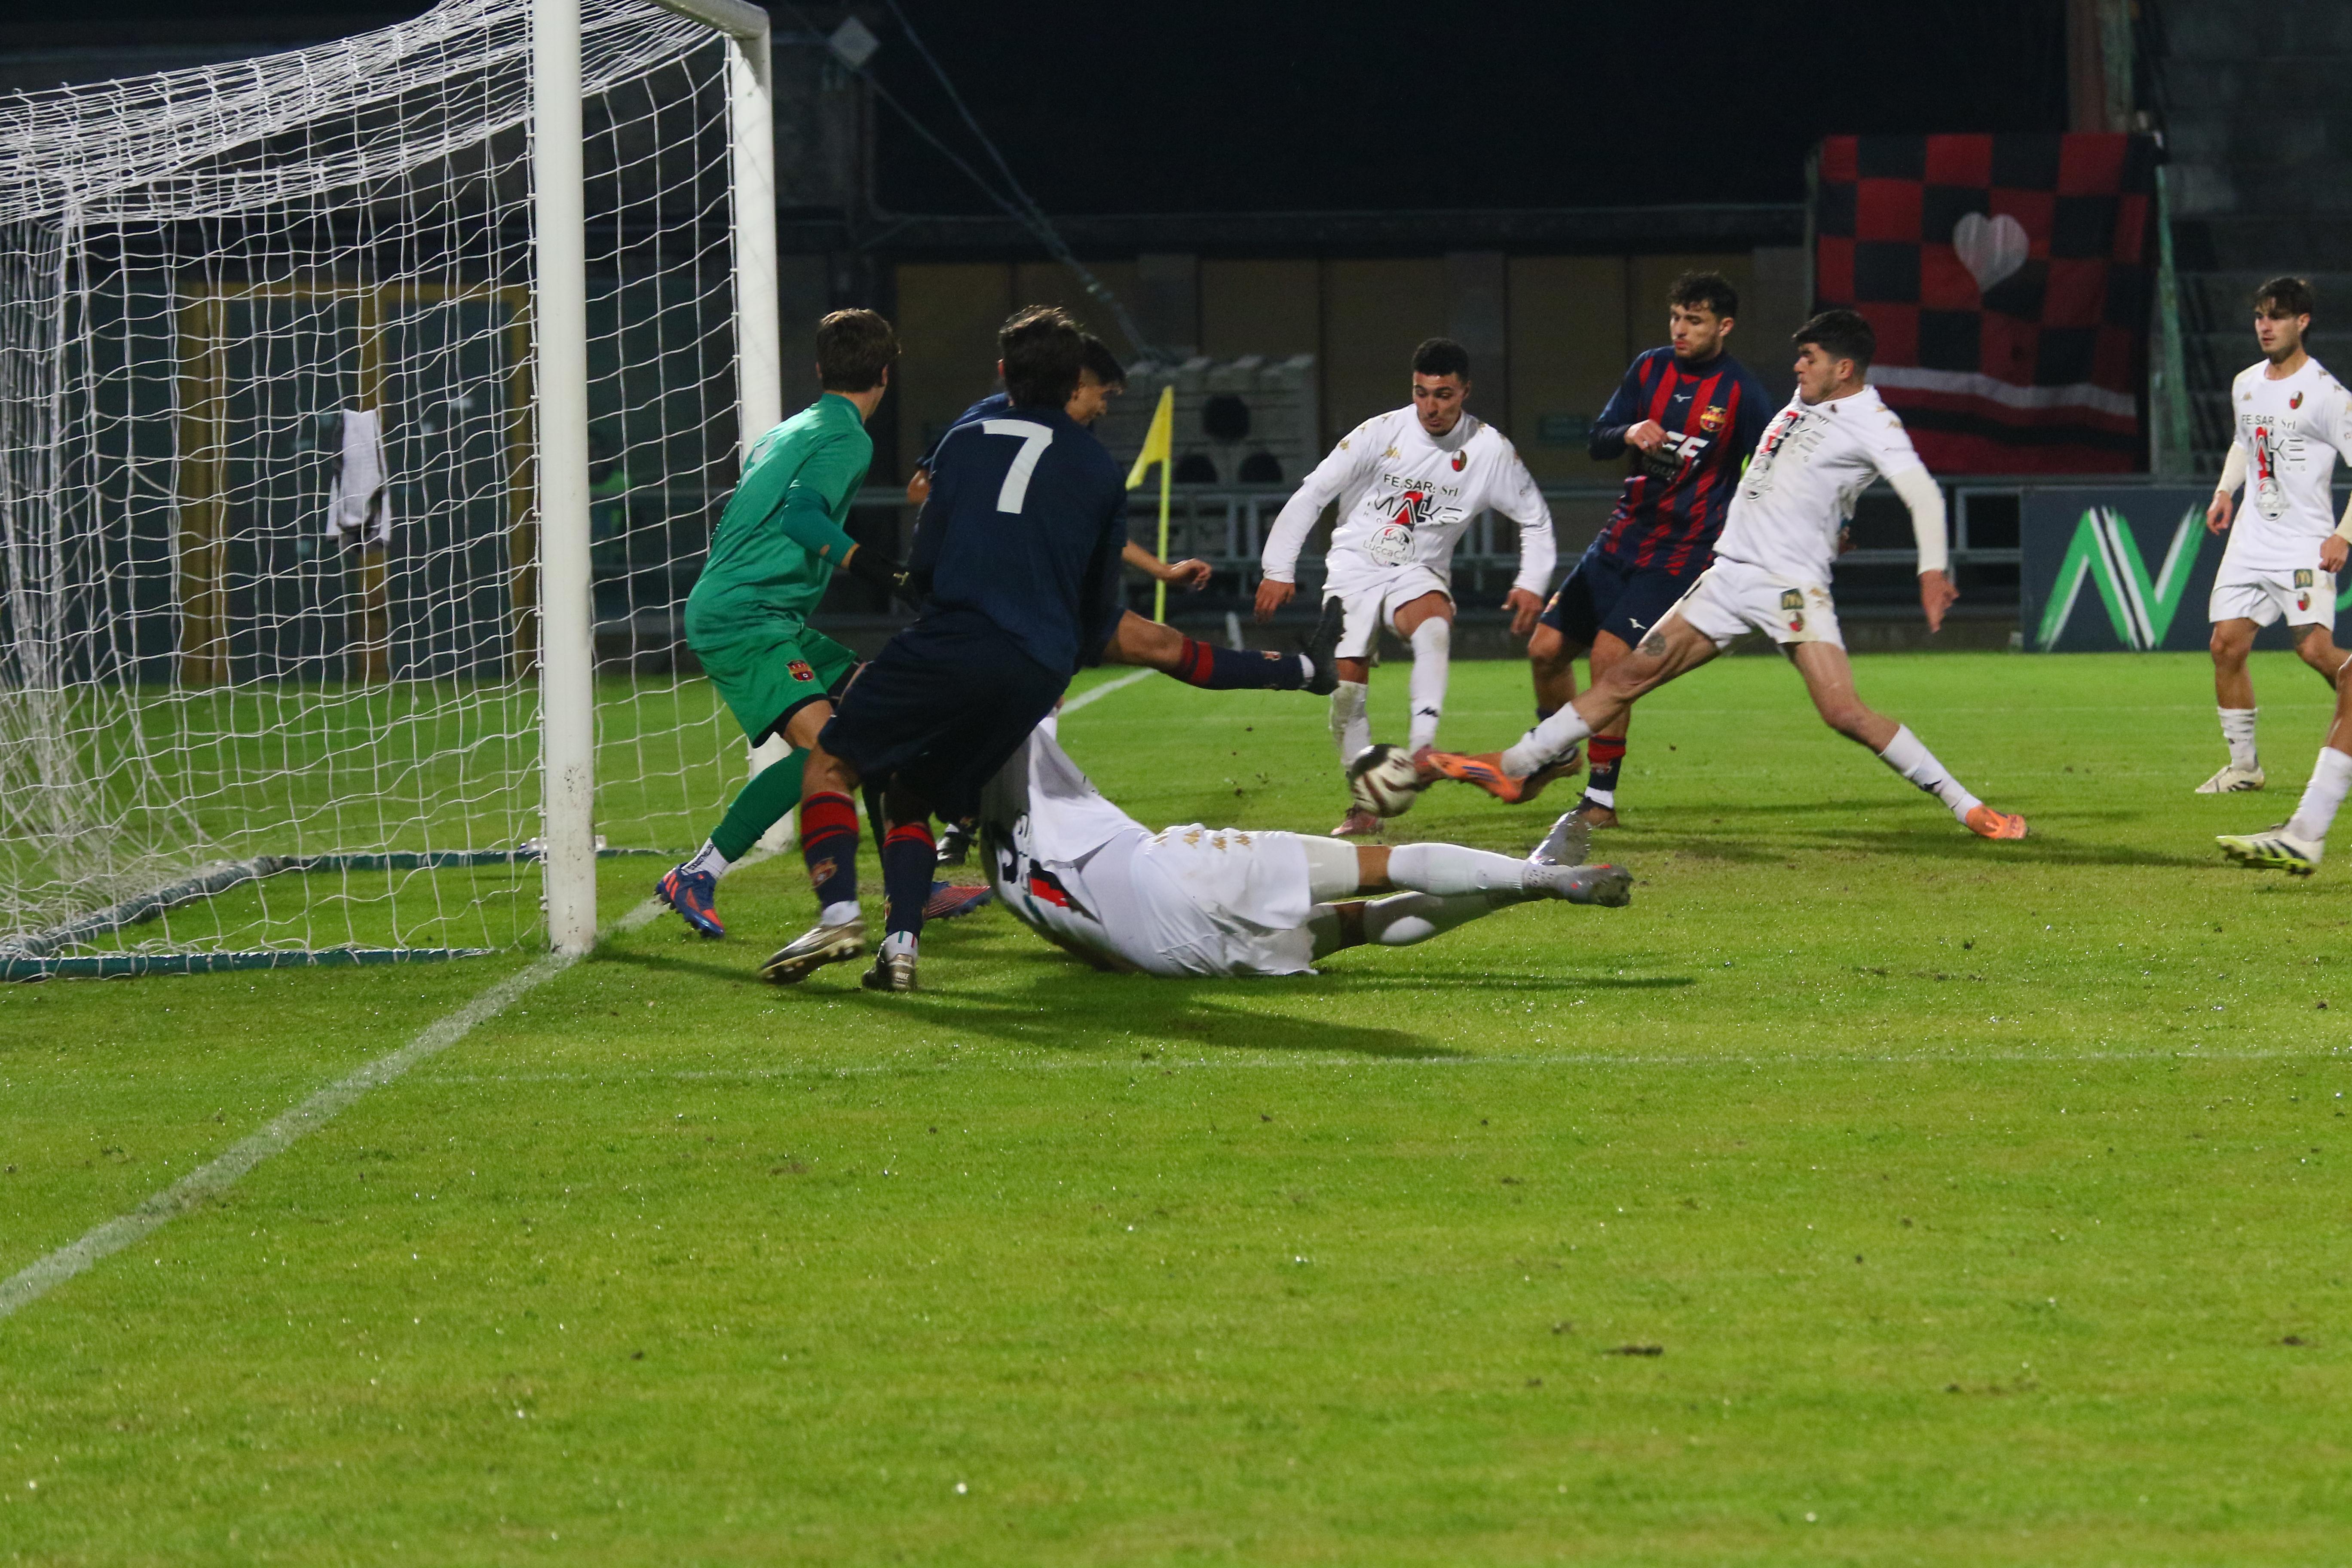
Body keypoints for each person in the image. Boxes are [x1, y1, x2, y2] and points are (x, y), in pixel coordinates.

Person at [1421, 310, 2027, 842]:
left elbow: (1921, 492)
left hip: (1788, 586)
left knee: (1843, 712)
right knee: (1626, 677)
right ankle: (1515, 765)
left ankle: (1968, 806)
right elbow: (1798, 475)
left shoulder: (1871, 419)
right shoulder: (1803, 402)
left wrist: (1932, 570)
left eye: (1809, 357)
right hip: (1727, 577)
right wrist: (1836, 516)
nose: (1797, 365)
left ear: (1844, 369)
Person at [764, 306, 1130, 992]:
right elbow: (1099, 604)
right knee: (912, 792)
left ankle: (838, 914)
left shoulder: (963, 440)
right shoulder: (1101, 470)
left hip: (958, 640)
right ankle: (900, 948)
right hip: (1038, 668)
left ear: (1003, 373)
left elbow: (926, 564)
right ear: (1074, 381)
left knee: (831, 765)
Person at [977, 717, 1630, 979]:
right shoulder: (1003, 726)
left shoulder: (999, 872)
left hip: (1165, 955)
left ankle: (1535, 877)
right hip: (1172, 870)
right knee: (1384, 867)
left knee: (1363, 926)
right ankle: (1541, 878)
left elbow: (1086, 949)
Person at [654, 309, 914, 940]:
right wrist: (890, 574)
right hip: (747, 616)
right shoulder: (849, 438)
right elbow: (801, 517)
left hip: (765, 613)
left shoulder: (790, 429)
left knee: (878, 716)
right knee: (830, 750)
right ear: (885, 373)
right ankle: (698, 872)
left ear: (821, 368)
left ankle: (912, 887)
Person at [1254, 337, 1556, 837]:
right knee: (1345, 691)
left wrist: (1530, 583)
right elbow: (1314, 493)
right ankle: (1364, 801)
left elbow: (1536, 520)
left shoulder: (1488, 450)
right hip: (1354, 567)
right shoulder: (1380, 433)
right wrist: (1278, 569)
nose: (1430, 407)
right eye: (1421, 393)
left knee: (1434, 626)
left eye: (1444, 395)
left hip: (1418, 568)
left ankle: (1422, 748)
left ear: (1465, 392)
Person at [1531, 271, 1770, 829]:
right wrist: (1629, 430)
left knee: (1609, 658)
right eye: (1676, 317)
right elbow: (1599, 439)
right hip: (1621, 538)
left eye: (1695, 320)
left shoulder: (1742, 393)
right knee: (1545, 650)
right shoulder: (1649, 369)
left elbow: (1769, 468)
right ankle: (1559, 750)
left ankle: (1600, 800)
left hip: (1681, 553)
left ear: (1724, 327)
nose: (1680, 329)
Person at [2195, 276, 2352, 795]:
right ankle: (2244, 767)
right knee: (2226, 645)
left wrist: (2344, 535)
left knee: (2315, 651)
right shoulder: (2246, 383)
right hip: (2251, 538)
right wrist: (2225, 491)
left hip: (2304, 542)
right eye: (2260, 316)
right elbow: (2246, 442)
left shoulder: (2328, 395)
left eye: (2278, 316)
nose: (2265, 326)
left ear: (2302, 322)